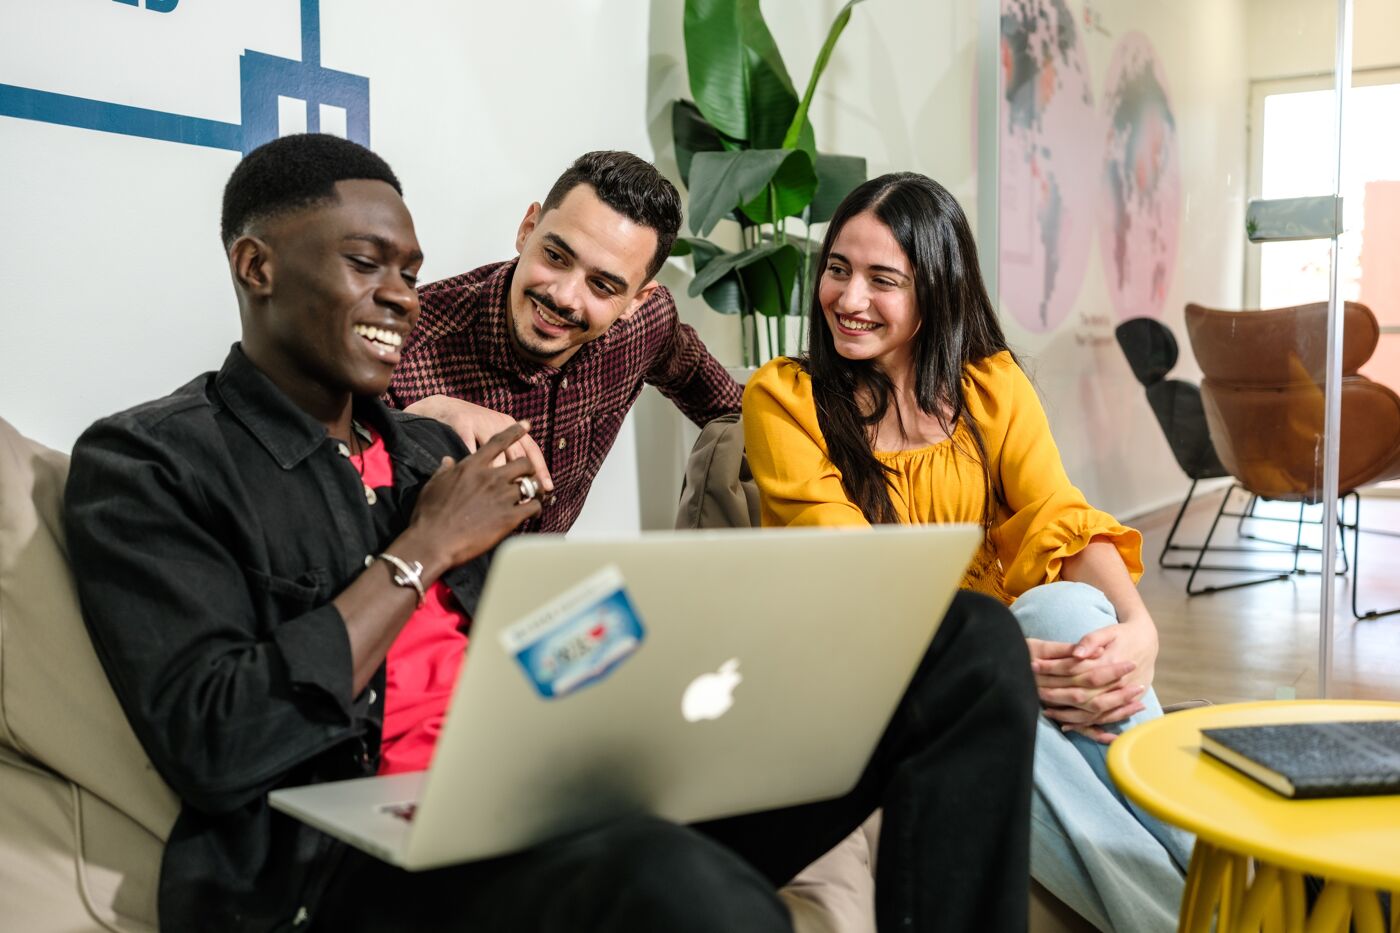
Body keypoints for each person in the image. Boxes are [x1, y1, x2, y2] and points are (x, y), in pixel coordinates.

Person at [64, 134, 1041, 933]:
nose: (401, 293)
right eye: (367, 265)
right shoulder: (150, 464)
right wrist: (423, 549)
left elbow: (524, 653)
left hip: (545, 781)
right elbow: (217, 740)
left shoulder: (412, 456)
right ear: (255, 264)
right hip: (360, 863)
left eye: (409, 269)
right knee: (693, 894)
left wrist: (652, 645)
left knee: (965, 645)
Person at [742, 172, 1195, 933]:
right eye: (838, 269)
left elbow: (1057, 513)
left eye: (884, 279)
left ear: (937, 291)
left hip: (991, 656)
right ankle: (1218, 906)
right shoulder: (785, 398)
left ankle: (1204, 886)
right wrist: (1001, 668)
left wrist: (1138, 627)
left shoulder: (992, 386)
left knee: (1068, 608)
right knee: (995, 689)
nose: (848, 298)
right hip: (868, 669)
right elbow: (859, 575)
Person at [386, 150, 741, 532]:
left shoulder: (645, 325)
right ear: (527, 229)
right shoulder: (403, 341)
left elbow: (722, 402)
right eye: (555, 256)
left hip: (549, 580)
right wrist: (418, 419)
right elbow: (323, 458)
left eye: (602, 285)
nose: (565, 296)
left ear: (636, 300)